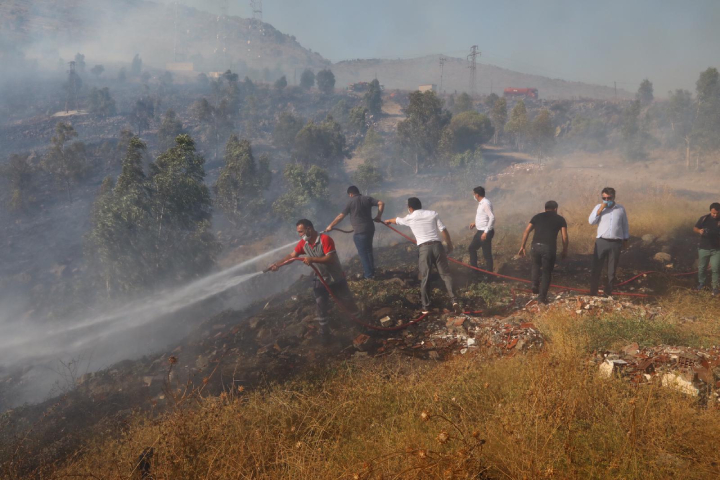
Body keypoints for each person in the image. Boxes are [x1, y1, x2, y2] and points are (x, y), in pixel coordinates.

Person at [268, 219, 358, 336]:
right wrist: (277, 265)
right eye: (298, 232)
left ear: (309, 229)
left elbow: (330, 258)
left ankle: (359, 324)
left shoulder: (325, 239)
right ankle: (324, 333)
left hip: (335, 277)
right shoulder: (303, 243)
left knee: (347, 301)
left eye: (301, 232)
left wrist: (312, 259)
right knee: (320, 305)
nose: (300, 235)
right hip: (321, 277)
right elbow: (292, 256)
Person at [384, 197, 459, 314]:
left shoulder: (410, 217)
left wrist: (388, 220)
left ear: (410, 208)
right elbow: (443, 230)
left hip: (424, 249)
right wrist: (449, 244)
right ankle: (454, 301)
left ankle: (426, 307)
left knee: (425, 277)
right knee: (446, 275)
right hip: (438, 246)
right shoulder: (433, 213)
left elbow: (397, 220)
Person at [326, 186, 385, 279]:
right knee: (368, 251)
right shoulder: (367, 198)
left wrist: (330, 226)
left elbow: (341, 216)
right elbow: (381, 203)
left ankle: (369, 275)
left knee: (363, 254)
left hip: (360, 232)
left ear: (350, 194)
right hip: (370, 229)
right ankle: (371, 272)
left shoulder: (350, 202)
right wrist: (379, 216)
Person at [518, 201, 569, 304]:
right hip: (549, 248)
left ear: (545, 208)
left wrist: (522, 246)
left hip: (535, 246)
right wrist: (564, 249)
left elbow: (526, 231)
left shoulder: (537, 217)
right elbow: (564, 236)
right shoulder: (560, 219)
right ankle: (541, 298)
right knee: (547, 272)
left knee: (535, 265)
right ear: (556, 209)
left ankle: (534, 284)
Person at [588, 187, 629, 297]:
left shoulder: (620, 209)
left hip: (616, 243)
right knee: (596, 268)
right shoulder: (598, 207)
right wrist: (600, 209)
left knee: (612, 270)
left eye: (609, 198)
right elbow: (591, 221)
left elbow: (625, 225)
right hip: (602, 242)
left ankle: (608, 293)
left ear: (614, 197)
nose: (606, 200)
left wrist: (625, 239)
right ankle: (593, 292)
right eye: (604, 198)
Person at [693, 202, 720, 295]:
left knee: (715, 268)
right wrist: (699, 231)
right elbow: (695, 228)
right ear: (710, 211)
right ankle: (702, 284)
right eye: (713, 213)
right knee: (702, 267)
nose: (715, 215)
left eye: (717, 213)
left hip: (717, 249)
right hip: (704, 248)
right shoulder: (704, 219)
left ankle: (715, 287)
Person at [468, 186, 495, 277]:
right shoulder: (481, 203)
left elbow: (492, 217)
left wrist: (485, 232)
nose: (474, 196)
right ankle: (474, 272)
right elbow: (484, 217)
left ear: (477, 195)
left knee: (487, 254)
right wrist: (475, 223)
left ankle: (489, 276)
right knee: (471, 248)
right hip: (480, 231)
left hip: (485, 232)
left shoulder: (485, 203)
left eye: (474, 194)